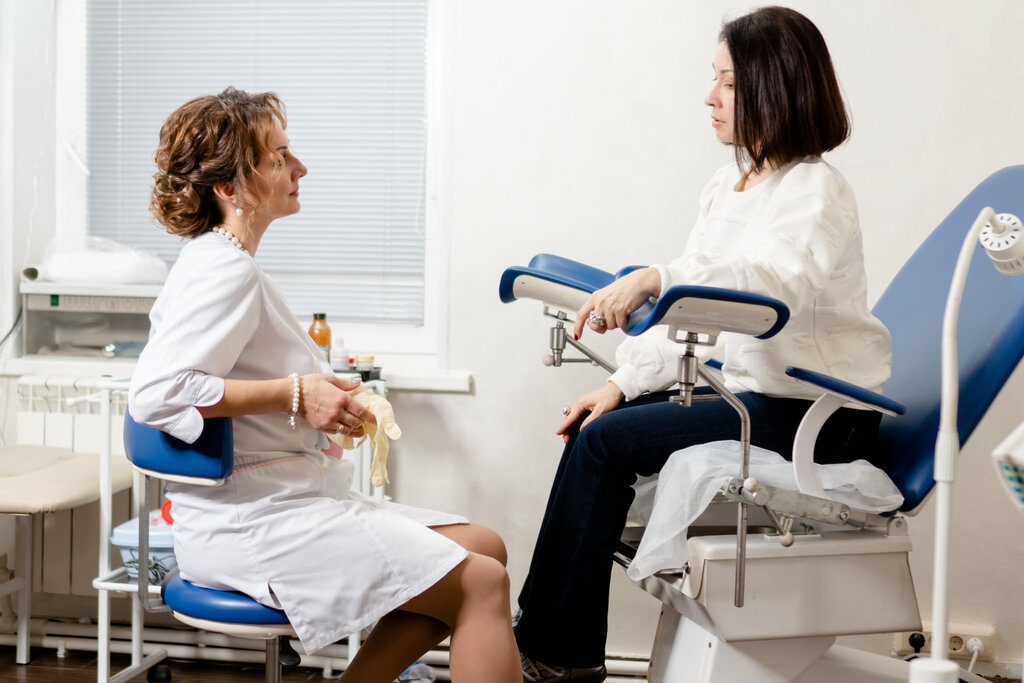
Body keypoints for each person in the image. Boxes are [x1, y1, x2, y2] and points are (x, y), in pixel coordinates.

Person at [514, 7, 892, 683]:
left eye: (729, 82)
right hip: (755, 396)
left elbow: (772, 285)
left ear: (774, 88)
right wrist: (620, 384)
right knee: (596, 430)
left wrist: (656, 277)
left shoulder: (816, 189)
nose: (710, 97)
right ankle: (552, 646)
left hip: (819, 416)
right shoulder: (728, 186)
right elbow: (690, 316)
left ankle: (551, 657)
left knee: (606, 447)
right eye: (713, 78)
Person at [129, 87, 522, 683]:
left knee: (484, 545)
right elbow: (157, 394)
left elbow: (235, 380)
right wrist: (296, 394)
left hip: (281, 502)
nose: (300, 168)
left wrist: (323, 397)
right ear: (230, 187)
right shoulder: (225, 270)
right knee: (482, 582)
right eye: (279, 157)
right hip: (253, 524)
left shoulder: (226, 262)